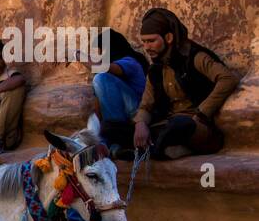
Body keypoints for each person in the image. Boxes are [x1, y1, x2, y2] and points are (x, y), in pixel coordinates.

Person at [133, 8, 239, 160]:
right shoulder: (155, 70)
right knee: (113, 127)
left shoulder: (194, 57)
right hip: (167, 124)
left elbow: (228, 79)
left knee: (179, 124)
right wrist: (140, 124)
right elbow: (146, 105)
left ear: (168, 37)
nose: (147, 47)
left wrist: (201, 113)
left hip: (198, 128)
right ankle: (165, 150)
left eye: (151, 41)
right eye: (144, 42)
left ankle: (155, 151)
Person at [88, 29, 148, 158]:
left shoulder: (132, 61)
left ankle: (115, 138)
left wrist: (76, 55)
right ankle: (113, 147)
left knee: (101, 78)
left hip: (138, 114)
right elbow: (99, 109)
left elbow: (103, 69)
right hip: (116, 119)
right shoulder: (106, 81)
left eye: (102, 51)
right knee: (92, 123)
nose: (101, 55)